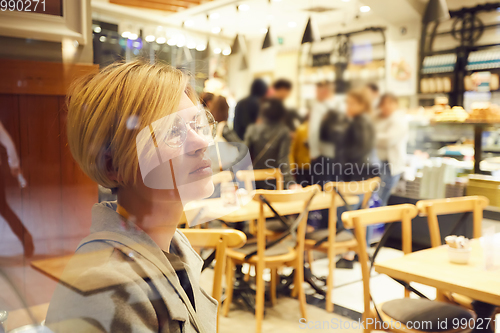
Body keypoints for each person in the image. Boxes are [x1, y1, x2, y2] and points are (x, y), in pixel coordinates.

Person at [45, 61, 218, 333]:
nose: (202, 142)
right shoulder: (106, 287)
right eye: (173, 131)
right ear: (114, 166)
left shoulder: (174, 243)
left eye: (198, 124)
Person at [244, 99, 297, 190]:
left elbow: (244, 154)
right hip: (276, 180)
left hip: (255, 180)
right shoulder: (283, 131)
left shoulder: (252, 129)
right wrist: (290, 182)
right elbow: (283, 160)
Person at [374, 93, 408, 206]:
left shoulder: (399, 119)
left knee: (380, 199)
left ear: (396, 104)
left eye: (390, 103)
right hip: (375, 163)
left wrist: (372, 137)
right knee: (372, 198)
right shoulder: (376, 118)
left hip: (390, 165)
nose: (386, 106)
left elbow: (388, 141)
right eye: (383, 104)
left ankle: (376, 223)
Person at [308, 81, 344, 167]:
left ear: (324, 91)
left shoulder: (318, 107)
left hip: (324, 154)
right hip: (341, 154)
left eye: (316, 92)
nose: (315, 95)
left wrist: (314, 152)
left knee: (322, 180)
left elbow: (314, 130)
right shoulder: (342, 106)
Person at [344, 88, 376, 181]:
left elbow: (362, 147)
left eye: (352, 104)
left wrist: (344, 159)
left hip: (358, 167)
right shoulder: (362, 119)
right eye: (347, 103)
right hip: (362, 166)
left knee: (354, 195)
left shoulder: (361, 121)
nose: (348, 107)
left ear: (363, 105)